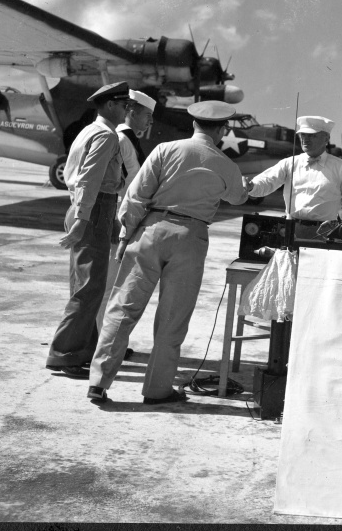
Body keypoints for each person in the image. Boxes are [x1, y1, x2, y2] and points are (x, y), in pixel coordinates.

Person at [86, 100, 252, 404]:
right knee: (173, 319)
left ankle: (98, 382)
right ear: (223, 130)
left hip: (150, 230)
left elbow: (136, 196)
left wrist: (125, 235)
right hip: (191, 238)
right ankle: (157, 389)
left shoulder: (165, 150)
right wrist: (246, 186)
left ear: (194, 124)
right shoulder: (226, 164)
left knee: (123, 308)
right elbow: (238, 197)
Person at [45, 82, 131, 379]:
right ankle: (64, 354)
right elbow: (89, 179)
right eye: (124, 105)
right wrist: (83, 219)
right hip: (93, 210)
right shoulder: (106, 135)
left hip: (93, 209)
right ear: (110, 105)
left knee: (86, 286)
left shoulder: (90, 131)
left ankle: (80, 351)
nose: (127, 110)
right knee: (89, 288)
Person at [95, 90, 156, 336]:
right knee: (109, 286)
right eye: (148, 115)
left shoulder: (129, 139)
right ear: (131, 111)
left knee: (115, 286)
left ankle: (105, 339)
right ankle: (101, 340)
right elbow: (115, 184)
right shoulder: (121, 139)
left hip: (124, 219)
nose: (151, 121)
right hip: (116, 219)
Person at [247, 116, 342, 240]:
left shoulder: (341, 168)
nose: (305, 139)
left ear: (326, 138)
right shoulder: (289, 163)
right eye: (303, 135)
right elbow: (268, 180)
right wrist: (252, 186)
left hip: (327, 234)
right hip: (291, 231)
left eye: (312, 135)